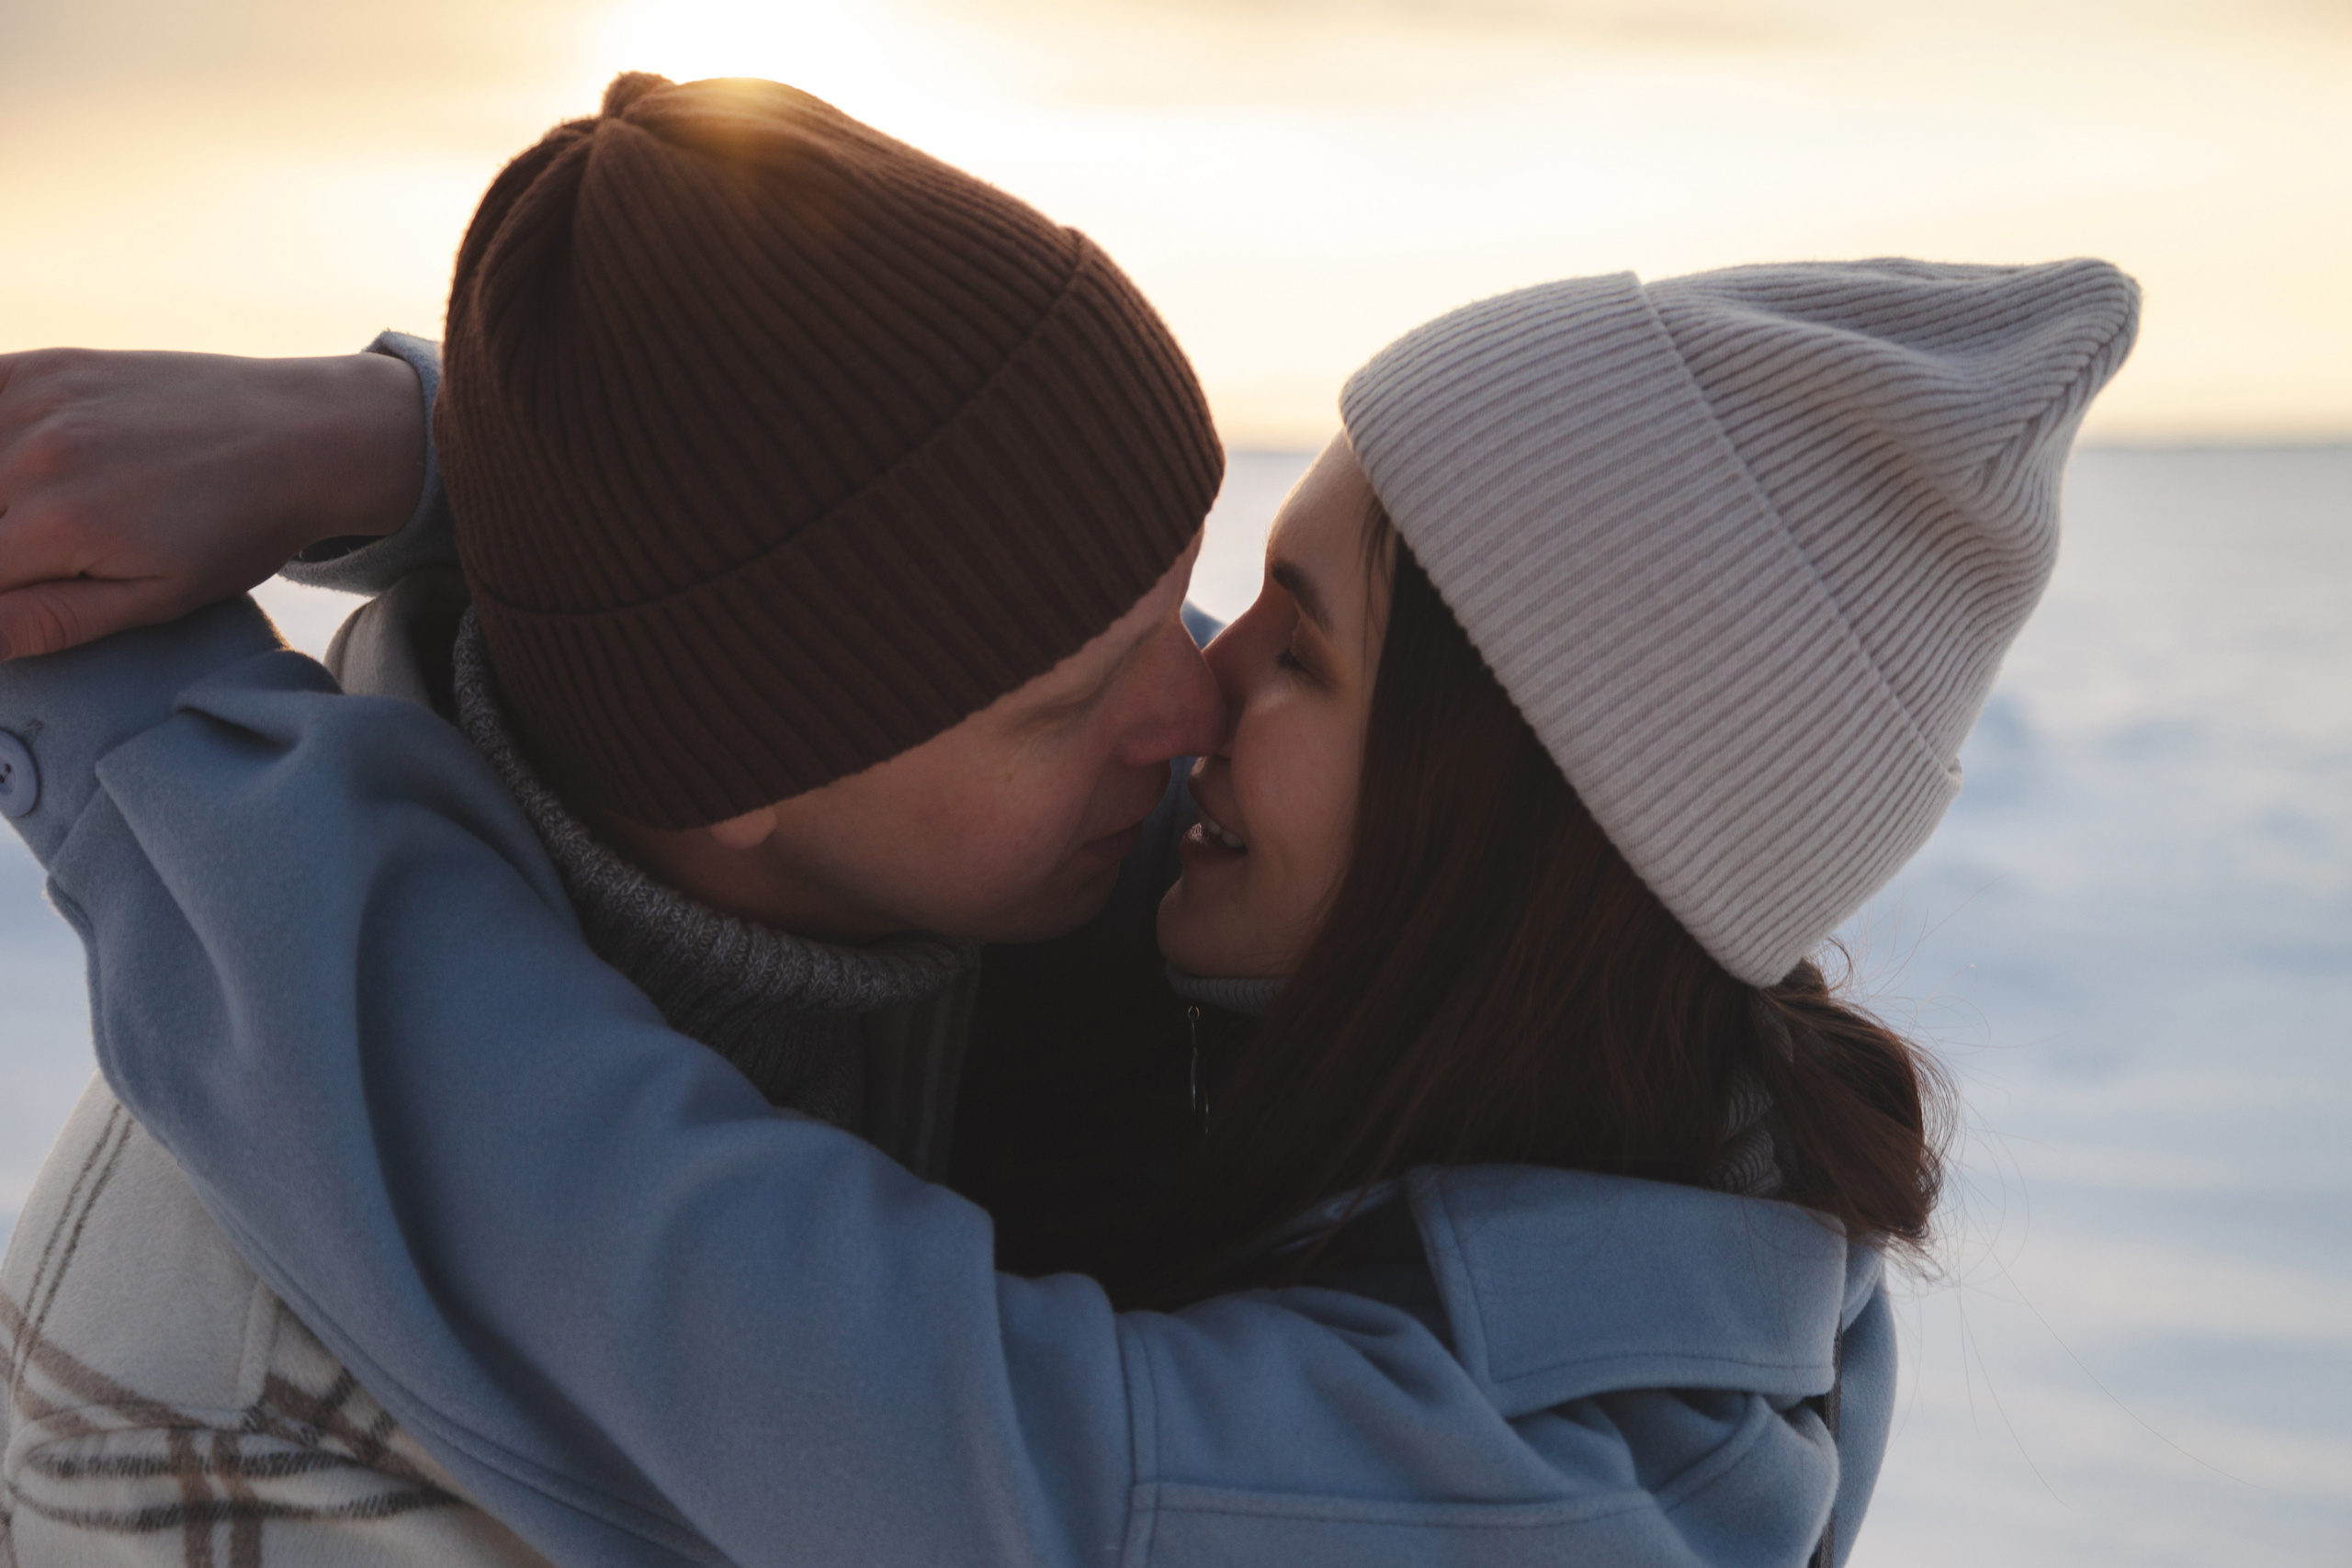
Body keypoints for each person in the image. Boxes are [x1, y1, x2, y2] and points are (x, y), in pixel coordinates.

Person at [0, 137, 2140, 1568]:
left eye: (1288, 648)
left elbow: (641, 1231)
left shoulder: (1504, 1485)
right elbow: (882, 614)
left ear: (1490, 831)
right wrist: (441, 441)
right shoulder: (1510, 1038)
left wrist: (95, 681)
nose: (1192, 692)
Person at [0, 72, 1233, 1564]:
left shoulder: (959, 865)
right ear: (740, 766)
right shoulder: (227, 1438)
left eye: (1180, 595)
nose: (1202, 713)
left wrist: (417, 443)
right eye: (1073, 700)